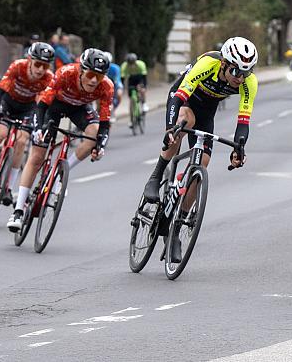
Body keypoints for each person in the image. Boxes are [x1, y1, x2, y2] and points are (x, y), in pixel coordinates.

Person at [142, 37, 259, 262]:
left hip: (207, 111)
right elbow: (180, 96)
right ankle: (156, 177)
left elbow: (243, 120)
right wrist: (169, 129)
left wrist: (239, 148)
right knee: (183, 126)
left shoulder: (248, 82)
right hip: (183, 100)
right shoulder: (208, 64)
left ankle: (176, 228)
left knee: (202, 164)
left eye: (246, 72)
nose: (239, 77)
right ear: (224, 63)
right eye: (235, 70)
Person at [6, 48, 114, 231]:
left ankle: (61, 173)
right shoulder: (65, 73)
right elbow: (41, 105)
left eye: (99, 76)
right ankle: (18, 210)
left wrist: (100, 145)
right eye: (90, 74)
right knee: (38, 155)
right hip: (53, 107)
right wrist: (39, 128)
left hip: (79, 108)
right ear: (81, 70)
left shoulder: (106, 86)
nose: (94, 80)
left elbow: (104, 120)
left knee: (93, 133)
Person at [0, 43, 55, 205]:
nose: (40, 70)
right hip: (8, 103)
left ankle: (7, 186)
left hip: (28, 109)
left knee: (21, 142)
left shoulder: (48, 78)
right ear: (29, 60)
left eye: (45, 66)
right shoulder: (18, 66)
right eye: (37, 64)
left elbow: (45, 104)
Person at [120, 53, 149, 126]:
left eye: (133, 63)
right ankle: (131, 120)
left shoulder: (141, 65)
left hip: (140, 78)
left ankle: (144, 104)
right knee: (131, 100)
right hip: (131, 79)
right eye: (130, 64)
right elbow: (122, 79)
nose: (132, 65)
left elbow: (144, 78)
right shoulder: (124, 66)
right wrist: (122, 88)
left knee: (142, 90)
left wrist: (144, 87)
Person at [104, 52, 123, 121]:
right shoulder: (100, 67)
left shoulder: (115, 68)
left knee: (119, 94)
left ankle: (114, 110)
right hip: (105, 85)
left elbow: (117, 80)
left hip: (115, 84)